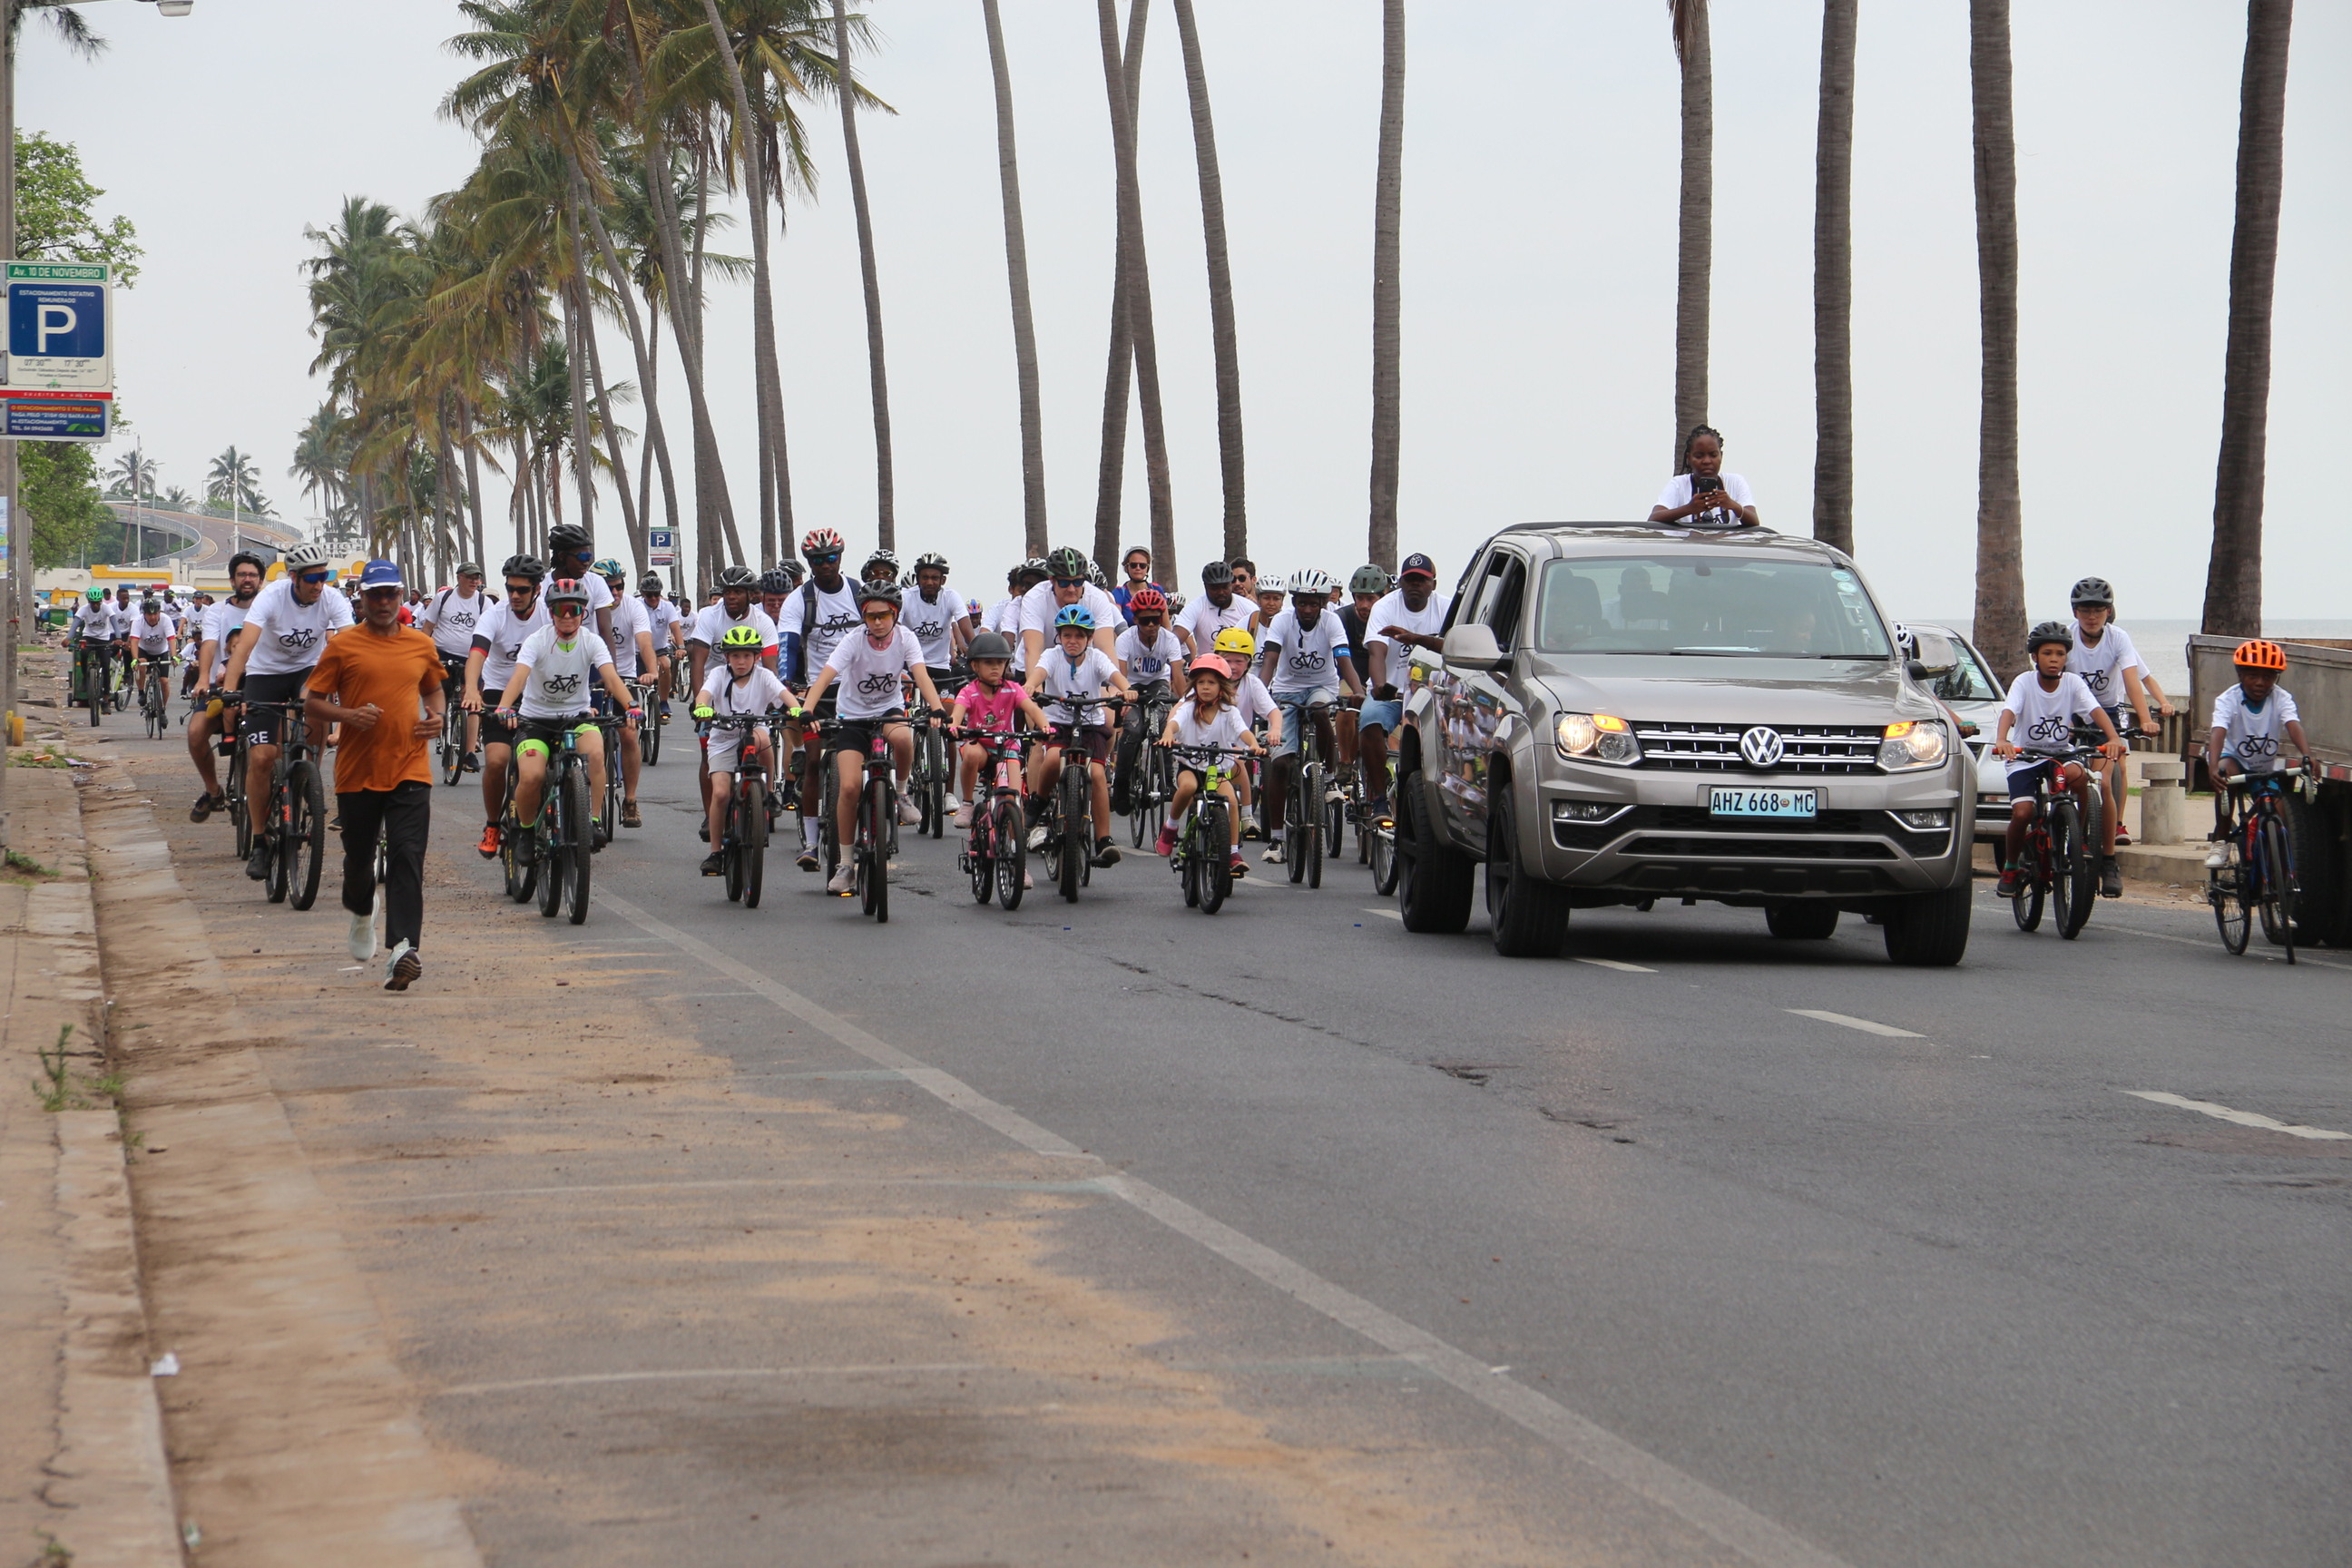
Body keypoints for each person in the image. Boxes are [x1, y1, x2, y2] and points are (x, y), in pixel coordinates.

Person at [301, 560, 445, 990]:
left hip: (410, 767)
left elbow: (434, 688)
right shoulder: (344, 646)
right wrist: (347, 715)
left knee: (406, 857)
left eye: (391, 594)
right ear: (361, 600)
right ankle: (363, 912)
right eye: (375, 594)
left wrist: (437, 717)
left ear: (401, 597)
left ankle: (403, 949)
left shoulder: (421, 644)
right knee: (359, 862)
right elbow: (313, 703)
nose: (383, 602)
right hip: (357, 774)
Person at [796, 578, 943, 896]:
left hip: (888, 710)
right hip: (853, 718)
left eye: (883, 615)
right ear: (863, 616)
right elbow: (825, 676)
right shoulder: (853, 640)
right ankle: (846, 865)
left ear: (895, 615)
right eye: (870, 616)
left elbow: (921, 674)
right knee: (848, 787)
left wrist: (937, 708)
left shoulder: (906, 638)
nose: (877, 622)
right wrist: (806, 710)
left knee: (903, 739)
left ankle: (902, 794)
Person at [221, 543, 354, 879]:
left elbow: (352, 644)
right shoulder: (271, 597)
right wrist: (229, 690)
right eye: (312, 578)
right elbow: (245, 646)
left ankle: (310, 777)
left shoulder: (331, 598)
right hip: (265, 673)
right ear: (293, 578)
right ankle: (260, 841)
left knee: (317, 707)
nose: (319, 584)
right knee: (263, 757)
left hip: (308, 670)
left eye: (324, 576)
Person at [495, 578, 640, 850]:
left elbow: (611, 678)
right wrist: (504, 706)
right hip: (536, 720)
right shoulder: (537, 641)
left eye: (575, 610)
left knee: (597, 753)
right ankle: (525, 831)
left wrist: (631, 705)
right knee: (532, 776)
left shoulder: (591, 641)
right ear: (551, 613)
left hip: (577, 717)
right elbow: (518, 678)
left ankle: (593, 820)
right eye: (561, 610)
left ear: (583, 613)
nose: (568, 617)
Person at [1992, 621, 2127, 900]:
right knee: (2023, 813)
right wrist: (2003, 739)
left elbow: (2095, 711)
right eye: (2047, 653)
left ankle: (2076, 836)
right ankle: (2011, 866)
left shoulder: (2073, 683)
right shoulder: (2024, 682)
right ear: (2034, 657)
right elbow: (2009, 711)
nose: (2054, 660)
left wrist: (2113, 738)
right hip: (2025, 757)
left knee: (2081, 778)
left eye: (2060, 654)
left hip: (2060, 753)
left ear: (2067, 657)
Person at [1255, 570, 1364, 865]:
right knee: (1279, 763)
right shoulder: (1281, 621)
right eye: (1301, 603)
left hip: (1321, 687)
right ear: (1295, 603)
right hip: (1286, 692)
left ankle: (1329, 780)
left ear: (1323, 604)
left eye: (1313, 604)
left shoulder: (1332, 622)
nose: (1306, 609)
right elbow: (1270, 660)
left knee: (1319, 711)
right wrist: (1260, 693)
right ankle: (1277, 839)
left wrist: (1358, 691)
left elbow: (1343, 660)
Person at [1022, 603, 1133, 868]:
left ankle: (1104, 839)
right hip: (1059, 723)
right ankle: (1039, 801)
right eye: (1067, 635)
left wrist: (1128, 689)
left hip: (1090, 725)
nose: (1073, 641)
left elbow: (1115, 676)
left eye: (1079, 636)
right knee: (1050, 761)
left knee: (1096, 776)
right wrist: (1030, 684)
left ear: (1090, 638)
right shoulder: (1053, 655)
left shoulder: (1096, 658)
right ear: (1059, 637)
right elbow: (1040, 672)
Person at [779, 532, 862, 868]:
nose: (825, 565)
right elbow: (787, 643)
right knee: (814, 760)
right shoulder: (799, 599)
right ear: (809, 564)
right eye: (817, 561)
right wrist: (787, 683)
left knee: (867, 759)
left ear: (841, 557)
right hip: (819, 690)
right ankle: (811, 842)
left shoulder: (858, 593)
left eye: (831, 558)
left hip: (859, 689)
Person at [2063, 576, 2163, 848]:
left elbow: (2133, 679)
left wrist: (2145, 719)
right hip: (2074, 712)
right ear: (2075, 612)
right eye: (2085, 610)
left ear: (2108, 612)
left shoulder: (2118, 638)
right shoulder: (2067, 637)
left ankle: (2114, 823)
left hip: (2107, 710)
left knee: (2110, 771)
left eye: (2098, 610)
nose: (2092, 617)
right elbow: (2053, 679)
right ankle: (2064, 820)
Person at [462, 555, 550, 858]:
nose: (514, 595)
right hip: (498, 693)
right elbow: (477, 653)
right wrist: (472, 689)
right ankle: (492, 824)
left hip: (538, 695)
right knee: (498, 761)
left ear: (537, 590)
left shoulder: (550, 615)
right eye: (510, 588)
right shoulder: (495, 615)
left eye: (522, 590)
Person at [692, 624, 797, 877]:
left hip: (754, 732)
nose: (741, 661)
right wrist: (702, 707)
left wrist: (796, 710)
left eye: (747, 655)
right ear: (727, 657)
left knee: (762, 738)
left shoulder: (764, 676)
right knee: (719, 793)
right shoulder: (718, 674)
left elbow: (785, 696)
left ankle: (769, 793)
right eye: (736, 655)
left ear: (757, 657)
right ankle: (716, 852)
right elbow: (704, 695)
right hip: (724, 737)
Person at [947, 630, 1047, 887]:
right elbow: (958, 711)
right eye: (989, 663)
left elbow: (1032, 709)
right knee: (969, 753)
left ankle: (1017, 860)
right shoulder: (969, 692)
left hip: (1007, 749)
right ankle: (968, 803)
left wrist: (1044, 726)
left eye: (1000, 663)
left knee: (1013, 799)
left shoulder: (1012, 689)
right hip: (981, 746)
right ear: (974, 666)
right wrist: (955, 724)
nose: (996, 668)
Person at [2202, 640, 2310, 869]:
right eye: (2253, 675)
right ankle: (2221, 840)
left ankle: (2271, 866)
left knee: (2280, 815)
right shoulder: (2228, 699)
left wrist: (2307, 755)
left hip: (2265, 767)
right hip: (2236, 761)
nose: (2261, 683)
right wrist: (2213, 767)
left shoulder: (2281, 698)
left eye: (2269, 676)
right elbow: (2218, 732)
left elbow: (2292, 724)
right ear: (2240, 674)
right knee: (2225, 772)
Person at [1153, 655, 1260, 880]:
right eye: (1201, 683)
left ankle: (1232, 853)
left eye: (1211, 683)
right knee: (1187, 787)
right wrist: (1167, 735)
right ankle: (1170, 827)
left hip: (1218, 770)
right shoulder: (1189, 707)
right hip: (1190, 767)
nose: (1205, 687)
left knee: (1231, 801)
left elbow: (1243, 731)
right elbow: (1174, 723)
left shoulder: (1229, 711)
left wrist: (1253, 744)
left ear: (1222, 687)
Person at [1357, 554, 1447, 813]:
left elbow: (1453, 647)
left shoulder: (1446, 608)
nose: (1415, 585)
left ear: (1433, 584)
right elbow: (1376, 651)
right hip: (1393, 692)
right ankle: (1378, 799)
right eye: (1409, 580)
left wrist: (1417, 638)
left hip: (1432, 694)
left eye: (1422, 580)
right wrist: (1379, 685)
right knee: (1370, 720)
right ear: (1401, 584)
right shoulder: (1385, 607)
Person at [187, 555, 265, 819]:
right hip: (223, 685)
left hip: (264, 684)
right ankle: (214, 792)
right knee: (196, 733)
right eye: (242, 575)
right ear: (232, 580)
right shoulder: (217, 610)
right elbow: (209, 644)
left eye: (252, 575)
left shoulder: (271, 608)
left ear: (260, 581)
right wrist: (202, 679)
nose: (247, 579)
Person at [598, 559, 661, 828]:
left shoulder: (634, 607)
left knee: (628, 735)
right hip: (595, 679)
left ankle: (631, 800)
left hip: (624, 678)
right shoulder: (587, 607)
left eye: (619, 587)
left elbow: (644, 641)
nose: (615, 593)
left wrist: (651, 671)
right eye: (609, 588)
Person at [1112, 585, 1184, 814]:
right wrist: (1124, 699)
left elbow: (1178, 677)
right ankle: (1121, 783)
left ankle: (1168, 780)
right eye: (1145, 621)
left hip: (1157, 684)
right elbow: (1120, 675)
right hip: (1131, 685)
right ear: (1135, 620)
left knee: (1164, 724)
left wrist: (1182, 704)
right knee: (1133, 729)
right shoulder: (1125, 639)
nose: (1151, 626)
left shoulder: (1170, 640)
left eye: (1156, 619)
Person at [415, 562, 489, 774]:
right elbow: (428, 627)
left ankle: (469, 753)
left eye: (477, 578)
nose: (474, 581)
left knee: (473, 702)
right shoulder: (443, 598)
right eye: (470, 577)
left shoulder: (483, 602)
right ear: (459, 578)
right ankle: (442, 730)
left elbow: (492, 633)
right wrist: (419, 653)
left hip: (471, 657)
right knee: (441, 695)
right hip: (442, 655)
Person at [1212, 626, 1280, 835]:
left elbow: (1273, 711)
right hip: (1206, 744)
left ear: (1249, 663)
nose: (1232, 667)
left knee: (1238, 761)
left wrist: (1275, 729)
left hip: (1238, 746)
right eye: (1227, 660)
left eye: (1239, 661)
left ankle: (1247, 816)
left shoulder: (1252, 683)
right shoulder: (1208, 681)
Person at [1016, 545, 1121, 671]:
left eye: (1078, 582)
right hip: (1035, 666)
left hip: (1078, 667)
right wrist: (1035, 688)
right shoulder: (1034, 598)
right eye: (1064, 583)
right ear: (1051, 580)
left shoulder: (1097, 598)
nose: (1071, 589)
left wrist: (1114, 688)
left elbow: (1106, 649)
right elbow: (1033, 651)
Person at [1649, 425, 1759, 528]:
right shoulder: (1679, 484)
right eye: (1699, 456)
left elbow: (1754, 522)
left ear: (1721, 456)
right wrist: (1689, 509)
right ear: (1689, 458)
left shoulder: (1735, 482)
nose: (1706, 461)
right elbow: (1654, 519)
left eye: (1713, 455)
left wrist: (1732, 505)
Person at [904, 553, 970, 699]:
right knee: (899, 706)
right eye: (925, 577)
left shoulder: (951, 597)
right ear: (918, 579)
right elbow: (893, 628)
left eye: (934, 578)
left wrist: (976, 650)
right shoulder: (906, 597)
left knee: (947, 713)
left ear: (943, 580)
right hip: (909, 663)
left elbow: (966, 627)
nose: (929, 582)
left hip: (939, 665)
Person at [128, 598, 178, 708]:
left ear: (159, 612)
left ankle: (163, 708)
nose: (153, 617)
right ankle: (141, 692)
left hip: (161, 651)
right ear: (144, 614)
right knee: (141, 663)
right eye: (149, 615)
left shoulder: (166, 620)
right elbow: (134, 642)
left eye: (155, 614)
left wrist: (174, 656)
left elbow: (171, 639)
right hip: (144, 650)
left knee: (164, 681)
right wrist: (135, 659)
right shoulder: (138, 621)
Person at [1110, 544, 1161, 622]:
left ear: (1147, 568)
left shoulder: (1157, 589)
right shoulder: (1119, 592)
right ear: (1127, 567)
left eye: (1142, 566)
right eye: (1133, 565)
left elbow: (1166, 625)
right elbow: (1116, 621)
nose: (1138, 568)